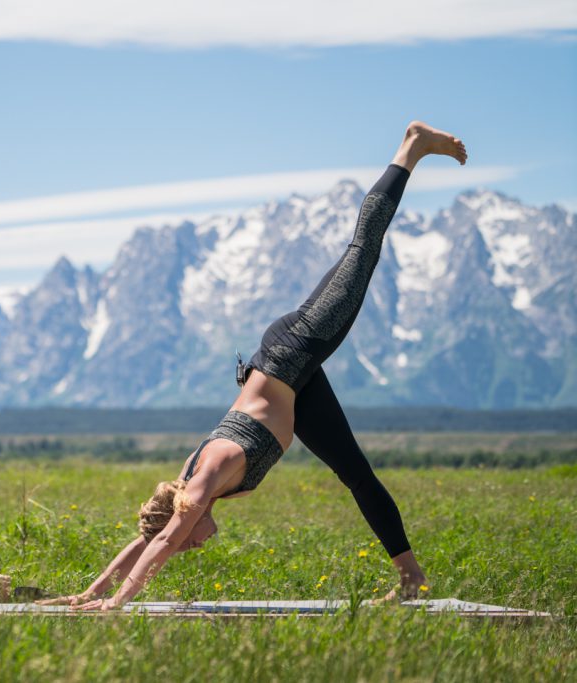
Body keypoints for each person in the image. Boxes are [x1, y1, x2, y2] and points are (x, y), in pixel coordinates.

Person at [41, 121, 468, 611]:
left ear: (185, 512)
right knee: (357, 475)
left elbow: (160, 543)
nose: (194, 545)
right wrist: (89, 593)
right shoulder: (189, 491)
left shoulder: (205, 479)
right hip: (294, 386)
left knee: (362, 251)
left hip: (291, 350)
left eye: (187, 538)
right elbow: (149, 539)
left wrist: (118, 605)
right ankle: (411, 578)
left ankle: (411, 148)